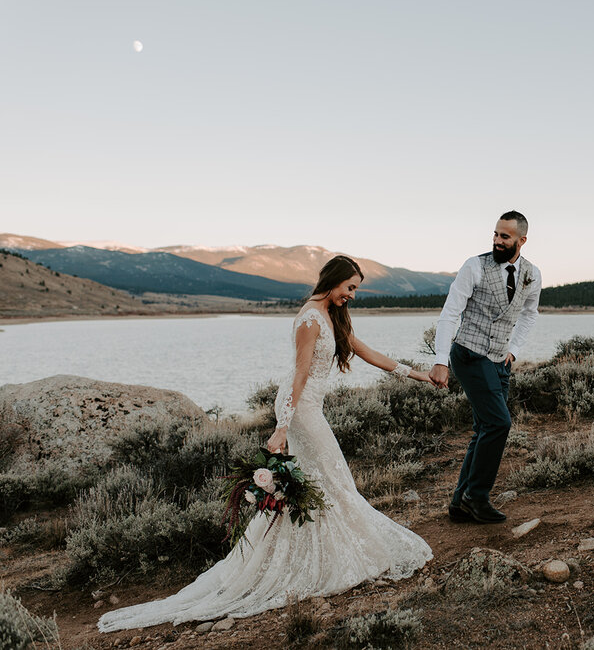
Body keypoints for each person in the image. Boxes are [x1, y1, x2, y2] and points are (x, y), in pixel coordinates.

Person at [99, 255, 433, 632]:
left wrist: (416, 375)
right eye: (350, 287)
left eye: (356, 289)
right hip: (300, 407)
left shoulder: (332, 315)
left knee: (321, 481)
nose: (353, 295)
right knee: (332, 475)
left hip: (308, 405)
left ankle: (314, 554)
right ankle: (313, 561)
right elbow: (300, 374)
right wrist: (282, 427)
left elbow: (366, 352)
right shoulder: (310, 318)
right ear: (333, 281)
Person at [429, 211, 541, 523]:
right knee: (498, 424)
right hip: (469, 354)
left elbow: (531, 313)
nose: (497, 241)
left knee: (484, 428)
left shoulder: (532, 273)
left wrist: (514, 350)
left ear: (522, 240)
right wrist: (440, 360)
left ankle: (459, 503)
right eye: (495, 234)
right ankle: (476, 497)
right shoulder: (474, 266)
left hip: (500, 361)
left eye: (504, 236)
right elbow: (450, 313)